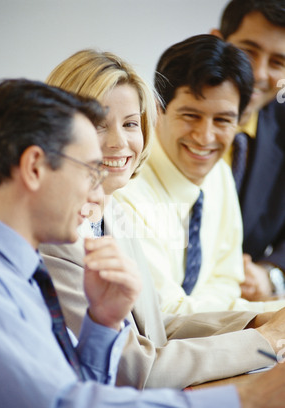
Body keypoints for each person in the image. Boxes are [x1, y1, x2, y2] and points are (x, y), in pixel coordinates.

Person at [0, 78, 285, 408]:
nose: (99, 192)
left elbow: (79, 389)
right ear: (34, 167)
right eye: (90, 170)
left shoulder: (20, 270)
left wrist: (103, 324)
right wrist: (248, 403)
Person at [41, 48, 283, 391]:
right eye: (98, 125)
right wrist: (264, 341)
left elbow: (153, 325)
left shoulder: (111, 212)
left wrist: (257, 320)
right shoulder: (52, 237)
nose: (119, 142)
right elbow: (135, 369)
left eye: (129, 124)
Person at [115, 34, 285, 318]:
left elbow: (227, 281)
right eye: (191, 115)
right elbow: (164, 313)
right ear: (158, 109)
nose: (205, 138)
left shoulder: (218, 171)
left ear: (240, 119)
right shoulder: (124, 188)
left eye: (222, 120)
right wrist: (270, 315)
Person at [211, 0, 285, 301]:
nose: (257, 73)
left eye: (278, 62)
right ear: (217, 41)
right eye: (247, 52)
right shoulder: (152, 117)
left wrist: (270, 275)